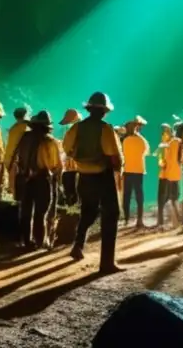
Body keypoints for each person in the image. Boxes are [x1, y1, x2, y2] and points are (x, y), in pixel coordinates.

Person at [63, 91, 124, 274]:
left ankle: (78, 244)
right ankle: (107, 262)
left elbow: (66, 148)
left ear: (89, 109)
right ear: (104, 111)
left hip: (83, 175)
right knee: (111, 214)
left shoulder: (76, 128)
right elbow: (113, 153)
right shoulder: (106, 129)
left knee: (87, 211)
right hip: (102, 176)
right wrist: (118, 169)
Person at [13, 110, 62, 249]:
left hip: (25, 178)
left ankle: (26, 241)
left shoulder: (24, 138)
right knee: (42, 211)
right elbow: (55, 164)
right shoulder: (50, 141)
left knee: (26, 210)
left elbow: (18, 158)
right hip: (43, 178)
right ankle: (40, 240)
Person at [121, 116, 149, 229]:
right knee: (139, 195)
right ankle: (140, 220)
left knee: (126, 195)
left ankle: (126, 219)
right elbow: (146, 151)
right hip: (138, 170)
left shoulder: (124, 140)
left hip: (127, 170)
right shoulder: (141, 140)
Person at [156, 123, 183, 230]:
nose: (164, 135)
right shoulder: (163, 145)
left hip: (173, 175)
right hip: (164, 175)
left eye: (166, 132)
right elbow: (160, 158)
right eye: (163, 133)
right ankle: (161, 222)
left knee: (174, 198)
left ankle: (177, 223)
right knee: (163, 199)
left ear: (171, 132)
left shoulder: (177, 142)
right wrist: (161, 162)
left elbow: (181, 157)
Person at [4, 107, 30, 200]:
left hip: (9, 158)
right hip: (19, 159)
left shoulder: (13, 127)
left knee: (14, 185)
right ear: (25, 114)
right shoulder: (26, 128)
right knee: (21, 186)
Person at [59, 109, 83, 206]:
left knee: (70, 186)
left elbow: (66, 146)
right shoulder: (82, 128)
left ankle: (71, 205)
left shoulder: (74, 129)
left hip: (72, 164)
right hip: (81, 165)